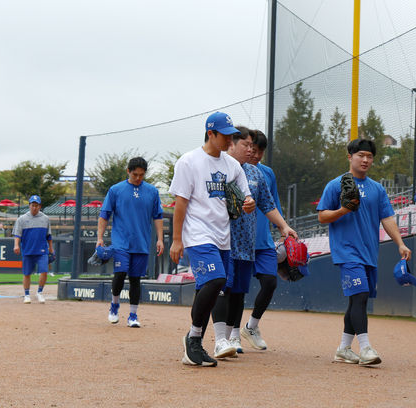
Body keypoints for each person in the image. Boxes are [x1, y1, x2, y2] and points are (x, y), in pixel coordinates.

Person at [169, 111, 255, 367]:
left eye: (232, 135)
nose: (230, 140)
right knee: (217, 279)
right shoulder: (189, 162)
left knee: (210, 289)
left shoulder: (232, 165)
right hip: (197, 235)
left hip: (222, 236)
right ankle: (193, 339)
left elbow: (246, 197)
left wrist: (248, 203)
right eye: (225, 135)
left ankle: (194, 347)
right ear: (211, 133)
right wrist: (176, 239)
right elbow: (181, 203)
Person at [317, 138, 412, 366]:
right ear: (350, 157)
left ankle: (343, 348)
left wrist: (400, 243)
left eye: (369, 156)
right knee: (359, 297)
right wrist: (343, 210)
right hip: (347, 252)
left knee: (356, 301)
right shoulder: (335, 185)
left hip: (369, 253)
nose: (365, 159)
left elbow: (387, 218)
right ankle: (366, 347)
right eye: (361, 155)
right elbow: (322, 217)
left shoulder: (377, 189)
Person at [210, 126, 296, 359]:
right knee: (221, 288)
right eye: (246, 145)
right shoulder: (215, 167)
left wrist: (283, 226)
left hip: (246, 244)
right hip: (220, 240)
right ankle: (215, 338)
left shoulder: (256, 173)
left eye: (253, 146)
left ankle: (229, 338)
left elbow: (268, 205)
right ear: (232, 144)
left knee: (238, 292)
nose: (251, 150)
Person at [98, 157, 164, 328]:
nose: (138, 178)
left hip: (141, 243)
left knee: (135, 279)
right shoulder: (115, 190)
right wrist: (100, 237)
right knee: (120, 273)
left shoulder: (152, 192)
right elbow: (104, 214)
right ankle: (114, 305)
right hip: (121, 241)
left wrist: (160, 239)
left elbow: (157, 216)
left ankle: (133, 315)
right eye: (135, 174)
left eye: (141, 175)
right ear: (128, 171)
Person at [13, 195, 54, 303]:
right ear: (29, 206)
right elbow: (17, 234)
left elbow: (48, 235)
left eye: (36, 205)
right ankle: (27, 294)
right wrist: (16, 245)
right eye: (32, 205)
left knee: (44, 271)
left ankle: (39, 292)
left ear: (40, 206)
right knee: (27, 273)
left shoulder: (45, 218)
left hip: (42, 250)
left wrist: (51, 248)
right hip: (28, 250)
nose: (34, 207)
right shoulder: (21, 219)